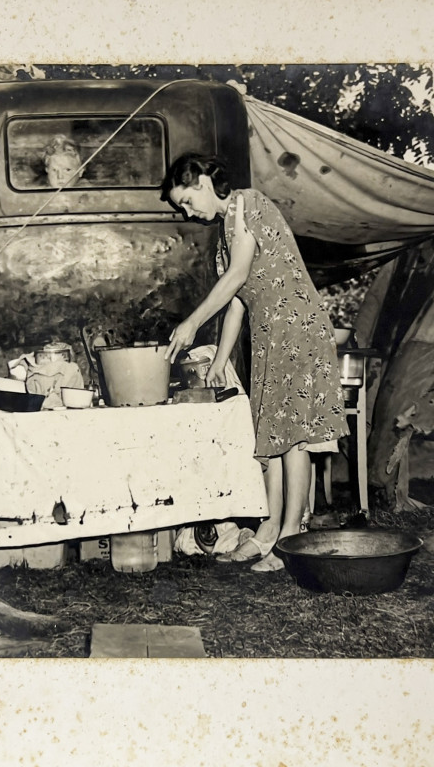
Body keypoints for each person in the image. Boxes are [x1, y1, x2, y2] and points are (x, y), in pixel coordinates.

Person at [161, 154, 349, 571]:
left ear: (206, 180)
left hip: (297, 325)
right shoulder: (225, 234)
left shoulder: (248, 205)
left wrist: (192, 322)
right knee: (271, 430)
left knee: (292, 434)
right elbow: (237, 304)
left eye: (188, 201)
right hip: (270, 334)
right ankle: (268, 532)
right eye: (183, 208)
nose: (189, 212)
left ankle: (291, 537)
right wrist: (220, 360)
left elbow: (238, 276)